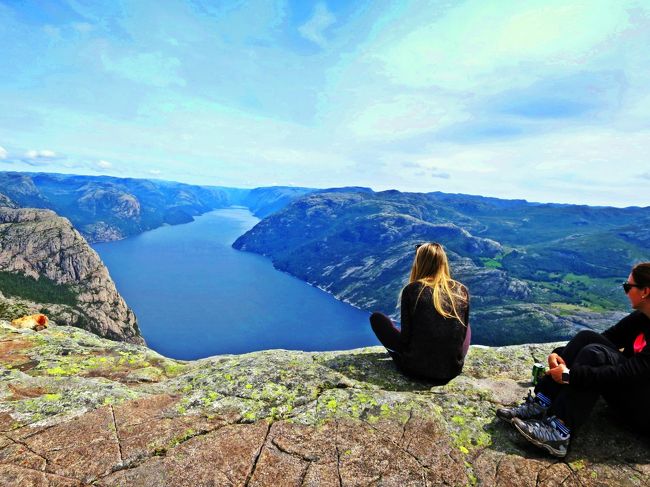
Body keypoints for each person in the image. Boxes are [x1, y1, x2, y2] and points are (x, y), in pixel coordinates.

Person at [497, 262, 650, 458]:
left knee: (595, 354)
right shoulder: (642, 317)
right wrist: (559, 354)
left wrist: (570, 376)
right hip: (633, 390)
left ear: (645, 291)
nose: (625, 292)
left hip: (644, 412)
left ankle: (559, 433)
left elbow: (629, 373)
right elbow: (603, 339)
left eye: (628, 287)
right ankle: (540, 404)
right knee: (586, 337)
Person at [369, 242, 470, 383]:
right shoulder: (461, 290)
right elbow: (462, 334)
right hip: (451, 370)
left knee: (377, 319)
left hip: (415, 369)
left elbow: (405, 339)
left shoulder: (412, 290)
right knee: (466, 326)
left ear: (420, 263)